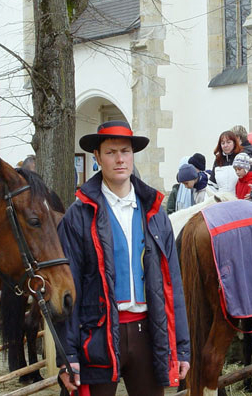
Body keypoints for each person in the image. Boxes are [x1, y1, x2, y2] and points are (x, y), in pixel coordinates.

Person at [57, 120, 189, 395]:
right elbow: (70, 289)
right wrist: (67, 355)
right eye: (111, 152)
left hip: (147, 334)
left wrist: (182, 347)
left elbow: (172, 283)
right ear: (97, 157)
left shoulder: (155, 213)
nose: (120, 159)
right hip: (96, 336)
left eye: (126, 151)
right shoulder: (78, 216)